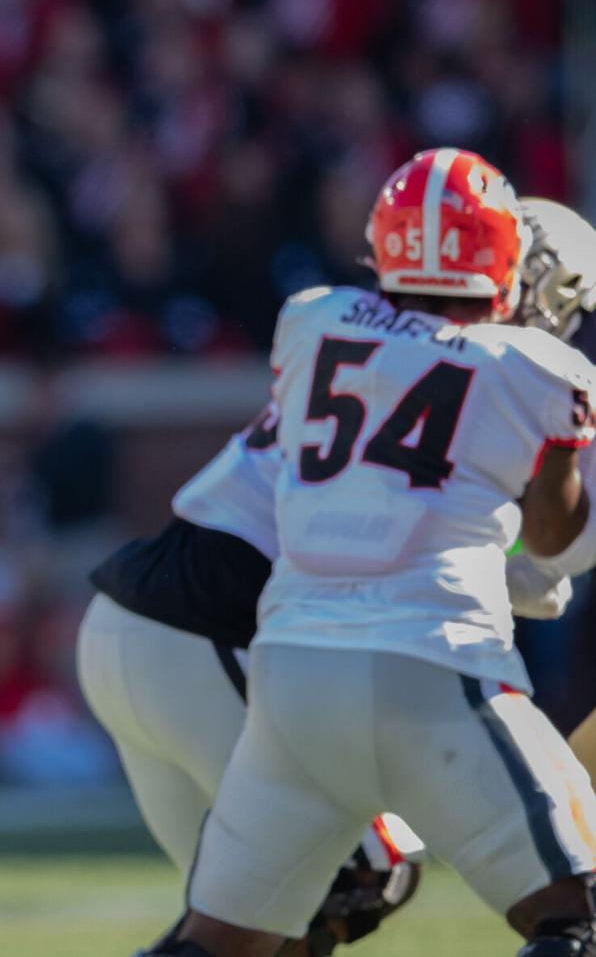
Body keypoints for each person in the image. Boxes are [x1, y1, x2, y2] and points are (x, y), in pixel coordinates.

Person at [80, 194, 596, 955]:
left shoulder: (349, 327)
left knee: (254, 926)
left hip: (163, 619)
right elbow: (527, 552)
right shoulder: (511, 373)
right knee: (361, 876)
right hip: (220, 631)